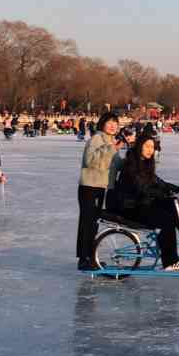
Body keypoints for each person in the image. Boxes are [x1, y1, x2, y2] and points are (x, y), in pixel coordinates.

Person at [109, 136, 179, 270]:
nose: (150, 150)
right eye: (147, 146)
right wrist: (163, 193)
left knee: (172, 202)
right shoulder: (131, 165)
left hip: (141, 203)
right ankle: (170, 262)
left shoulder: (144, 163)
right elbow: (142, 188)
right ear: (139, 146)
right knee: (166, 221)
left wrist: (173, 188)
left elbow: (157, 182)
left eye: (152, 147)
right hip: (130, 208)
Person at [77, 111, 122, 271]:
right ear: (102, 124)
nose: (113, 126)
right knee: (87, 223)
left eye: (115, 123)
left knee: (93, 224)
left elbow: (115, 165)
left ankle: (90, 256)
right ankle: (84, 259)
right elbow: (90, 161)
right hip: (90, 186)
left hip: (101, 187)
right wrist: (111, 148)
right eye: (109, 122)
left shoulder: (110, 141)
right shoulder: (97, 139)